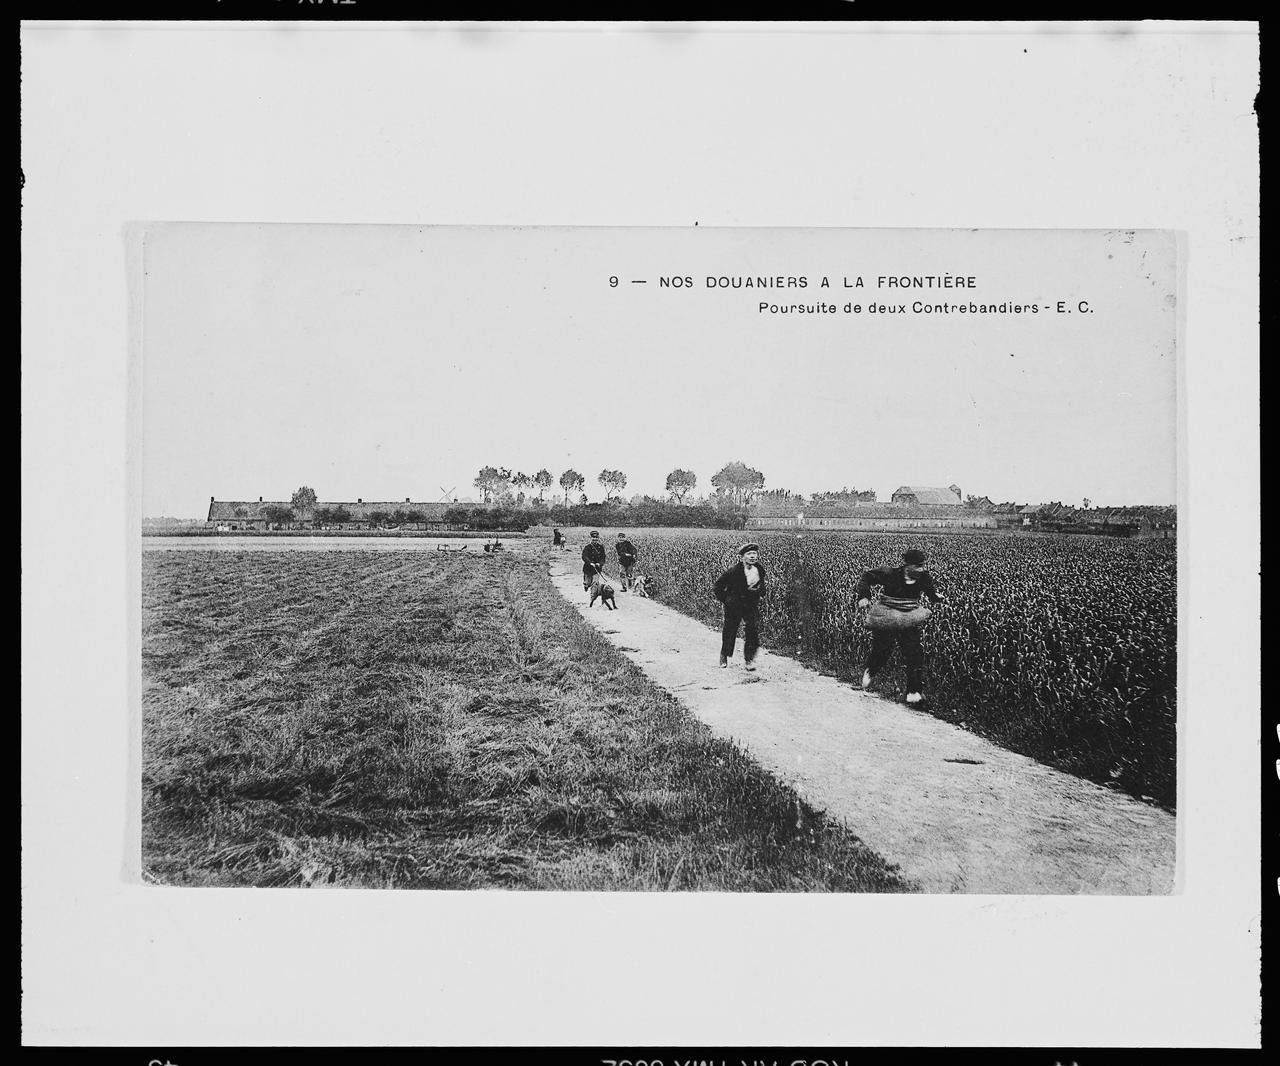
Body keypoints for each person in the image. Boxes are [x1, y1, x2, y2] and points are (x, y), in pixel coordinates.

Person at [856, 548, 944, 705]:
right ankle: (870, 670)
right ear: (907, 566)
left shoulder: (924, 577)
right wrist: (864, 596)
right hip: (887, 616)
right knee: (882, 650)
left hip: (908, 617)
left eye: (922, 566)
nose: (921, 569)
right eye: (917, 566)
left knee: (914, 653)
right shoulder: (890, 574)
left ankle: (913, 692)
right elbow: (866, 578)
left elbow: (930, 592)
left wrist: (935, 597)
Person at [713, 542, 766, 671]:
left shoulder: (759, 569)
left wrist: (761, 593)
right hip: (735, 606)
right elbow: (718, 586)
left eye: (754, 553)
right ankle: (724, 655)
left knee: (752, 630)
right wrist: (727, 600)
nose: (752, 556)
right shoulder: (733, 571)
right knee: (730, 630)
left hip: (751, 605)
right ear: (742, 557)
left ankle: (749, 659)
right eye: (749, 554)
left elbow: (761, 585)